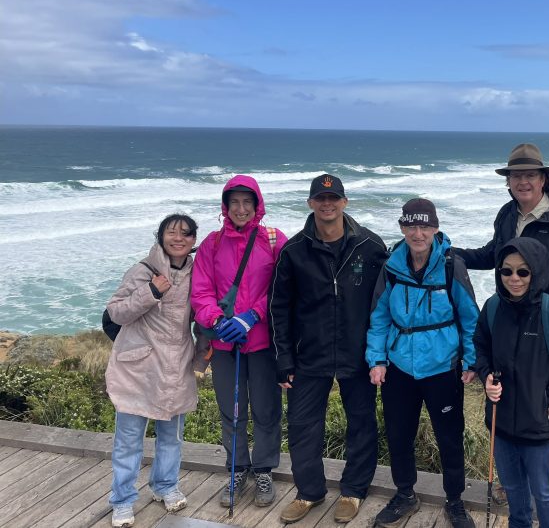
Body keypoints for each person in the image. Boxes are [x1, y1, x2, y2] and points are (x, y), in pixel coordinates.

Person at [456, 142, 549, 527]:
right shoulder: (508, 214)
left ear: (543, 179)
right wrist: (452, 253)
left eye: (529, 175)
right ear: (508, 183)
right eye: (515, 176)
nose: (522, 182)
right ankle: (518, 483)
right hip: (514, 323)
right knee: (514, 398)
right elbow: (495, 255)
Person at [269, 173, 388, 525]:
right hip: (310, 355)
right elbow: (279, 308)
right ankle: (309, 492)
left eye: (334, 198)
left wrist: (379, 353)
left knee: (362, 424)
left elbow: (384, 305)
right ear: (310, 203)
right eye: (321, 199)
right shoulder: (293, 251)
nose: (327, 204)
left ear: (345, 202)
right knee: (304, 425)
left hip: (358, 353)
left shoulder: (370, 246)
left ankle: (353, 491)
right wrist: (283, 358)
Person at [366, 199, 479, 528]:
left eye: (425, 226)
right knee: (399, 435)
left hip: (443, 368)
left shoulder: (451, 266)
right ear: (402, 228)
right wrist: (377, 360)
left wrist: (471, 360)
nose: (418, 233)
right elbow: (379, 318)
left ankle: (455, 501)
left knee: (449, 436)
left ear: (435, 229)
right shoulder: (391, 266)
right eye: (411, 226)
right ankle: (405, 494)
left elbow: (470, 318)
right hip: (399, 367)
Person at [473, 237, 549, 528]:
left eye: (523, 272)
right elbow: (480, 348)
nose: (514, 278)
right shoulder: (493, 307)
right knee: (514, 491)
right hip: (501, 422)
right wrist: (485, 377)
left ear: (537, 272)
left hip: (540, 425)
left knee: (545, 493)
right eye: (506, 271)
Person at [192, 175, 288, 508]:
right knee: (231, 411)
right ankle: (236, 467)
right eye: (235, 202)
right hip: (224, 344)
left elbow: (282, 288)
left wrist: (250, 317)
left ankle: (263, 469)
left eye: (248, 202)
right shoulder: (212, 244)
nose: (241, 209)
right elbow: (201, 291)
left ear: (257, 204)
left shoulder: (273, 240)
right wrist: (217, 320)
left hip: (262, 342)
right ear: (226, 206)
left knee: (266, 410)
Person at [105, 213, 201, 528]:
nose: (179, 238)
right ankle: (122, 501)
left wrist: (202, 358)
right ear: (160, 237)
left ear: (193, 241)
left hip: (175, 366)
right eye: (171, 233)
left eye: (186, 234)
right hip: (140, 367)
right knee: (129, 439)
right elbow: (116, 312)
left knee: (171, 435)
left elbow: (203, 316)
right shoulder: (141, 271)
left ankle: (165, 486)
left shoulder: (196, 272)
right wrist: (151, 292)